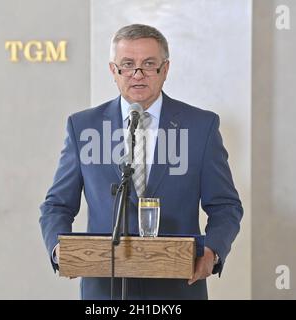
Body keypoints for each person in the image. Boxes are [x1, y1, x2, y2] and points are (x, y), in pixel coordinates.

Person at [39, 24, 243, 300]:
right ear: (114, 71)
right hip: (104, 289)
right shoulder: (83, 126)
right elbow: (57, 206)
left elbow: (225, 206)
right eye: (127, 64)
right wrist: (59, 249)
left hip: (178, 287)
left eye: (149, 64)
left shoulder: (201, 126)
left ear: (165, 69)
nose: (138, 74)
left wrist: (212, 251)